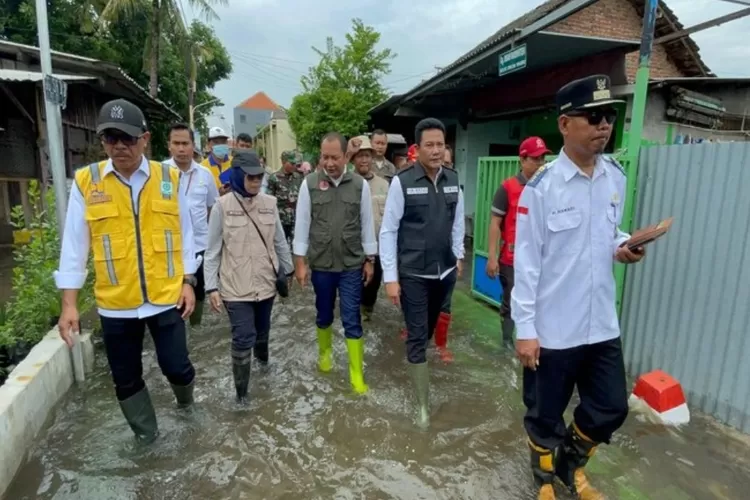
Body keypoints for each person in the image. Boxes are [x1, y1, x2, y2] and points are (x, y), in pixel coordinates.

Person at [512, 75, 645, 500]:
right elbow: (528, 263)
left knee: (611, 406)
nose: (604, 125)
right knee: (544, 413)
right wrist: (526, 329)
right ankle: (544, 481)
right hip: (554, 327)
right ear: (565, 124)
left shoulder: (615, 178)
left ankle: (568, 464)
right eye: (593, 117)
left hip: (601, 322)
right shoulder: (542, 188)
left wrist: (622, 244)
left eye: (608, 116)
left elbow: (603, 234)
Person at [55, 99, 199, 443]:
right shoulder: (88, 182)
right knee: (126, 378)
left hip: (166, 297)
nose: (119, 146)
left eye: (128, 138)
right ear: (102, 141)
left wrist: (188, 281)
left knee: (176, 366)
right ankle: (147, 439)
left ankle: (187, 407)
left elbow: (186, 232)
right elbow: (74, 245)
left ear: (145, 139)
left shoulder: (169, 178)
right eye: (110, 138)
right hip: (116, 302)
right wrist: (69, 303)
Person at [380, 118, 465, 429]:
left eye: (439, 145)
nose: (435, 150)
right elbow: (388, 231)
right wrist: (391, 278)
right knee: (417, 337)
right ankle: (423, 407)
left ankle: (419, 371)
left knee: (428, 332)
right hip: (413, 272)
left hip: (445, 272)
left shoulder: (454, 179)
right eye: (429, 145)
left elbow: (458, 224)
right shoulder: (402, 182)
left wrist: (460, 255)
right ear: (417, 149)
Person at [203, 151, 292, 403]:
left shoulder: (270, 203)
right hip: (235, 287)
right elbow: (212, 251)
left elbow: (279, 242)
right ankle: (241, 396)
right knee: (243, 337)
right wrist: (212, 288)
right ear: (239, 175)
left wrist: (290, 271)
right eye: (250, 177)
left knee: (262, 333)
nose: (255, 181)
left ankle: (263, 370)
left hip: (266, 284)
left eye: (259, 177)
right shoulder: (222, 207)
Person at [292, 132, 377, 395]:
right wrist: (300, 263)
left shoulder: (359, 185)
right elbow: (302, 224)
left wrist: (369, 259)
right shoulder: (310, 184)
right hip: (322, 264)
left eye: (335, 157)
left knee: (352, 318)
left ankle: (356, 375)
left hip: (351, 264)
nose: (329, 163)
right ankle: (325, 355)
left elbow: (367, 225)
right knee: (324, 313)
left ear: (345, 157)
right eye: (325, 157)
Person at [486, 137, 549, 348]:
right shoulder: (508, 188)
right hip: (511, 259)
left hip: (541, 258)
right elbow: (495, 223)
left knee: (540, 301)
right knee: (512, 300)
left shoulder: (548, 188)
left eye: (543, 158)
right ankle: (507, 341)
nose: (541, 163)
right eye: (535, 159)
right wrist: (492, 258)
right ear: (522, 160)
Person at [165, 123, 220, 328]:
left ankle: (195, 329)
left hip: (199, 247)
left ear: (193, 145)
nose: (181, 149)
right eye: (176, 143)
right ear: (169, 146)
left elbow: (212, 209)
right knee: (171, 295)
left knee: (198, 292)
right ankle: (176, 329)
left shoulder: (205, 175)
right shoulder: (159, 173)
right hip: (169, 248)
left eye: (185, 143)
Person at [349, 136, 390, 321]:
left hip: (377, 250)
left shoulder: (384, 184)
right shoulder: (346, 183)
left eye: (367, 155)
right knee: (350, 291)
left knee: (372, 290)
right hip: (352, 250)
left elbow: (390, 220)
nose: (364, 159)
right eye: (359, 156)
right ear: (352, 159)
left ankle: (367, 317)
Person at [267, 150, 304, 244]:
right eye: (291, 163)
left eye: (295, 163)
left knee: (296, 246)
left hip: (295, 220)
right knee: (280, 245)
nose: (294, 166)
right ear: (283, 162)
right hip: (280, 220)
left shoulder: (298, 177)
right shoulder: (274, 178)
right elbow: (269, 200)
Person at [202, 126, 232, 193]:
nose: (220, 145)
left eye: (223, 142)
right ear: (209, 144)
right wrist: (217, 193)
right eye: (216, 142)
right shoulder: (202, 167)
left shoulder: (235, 163)